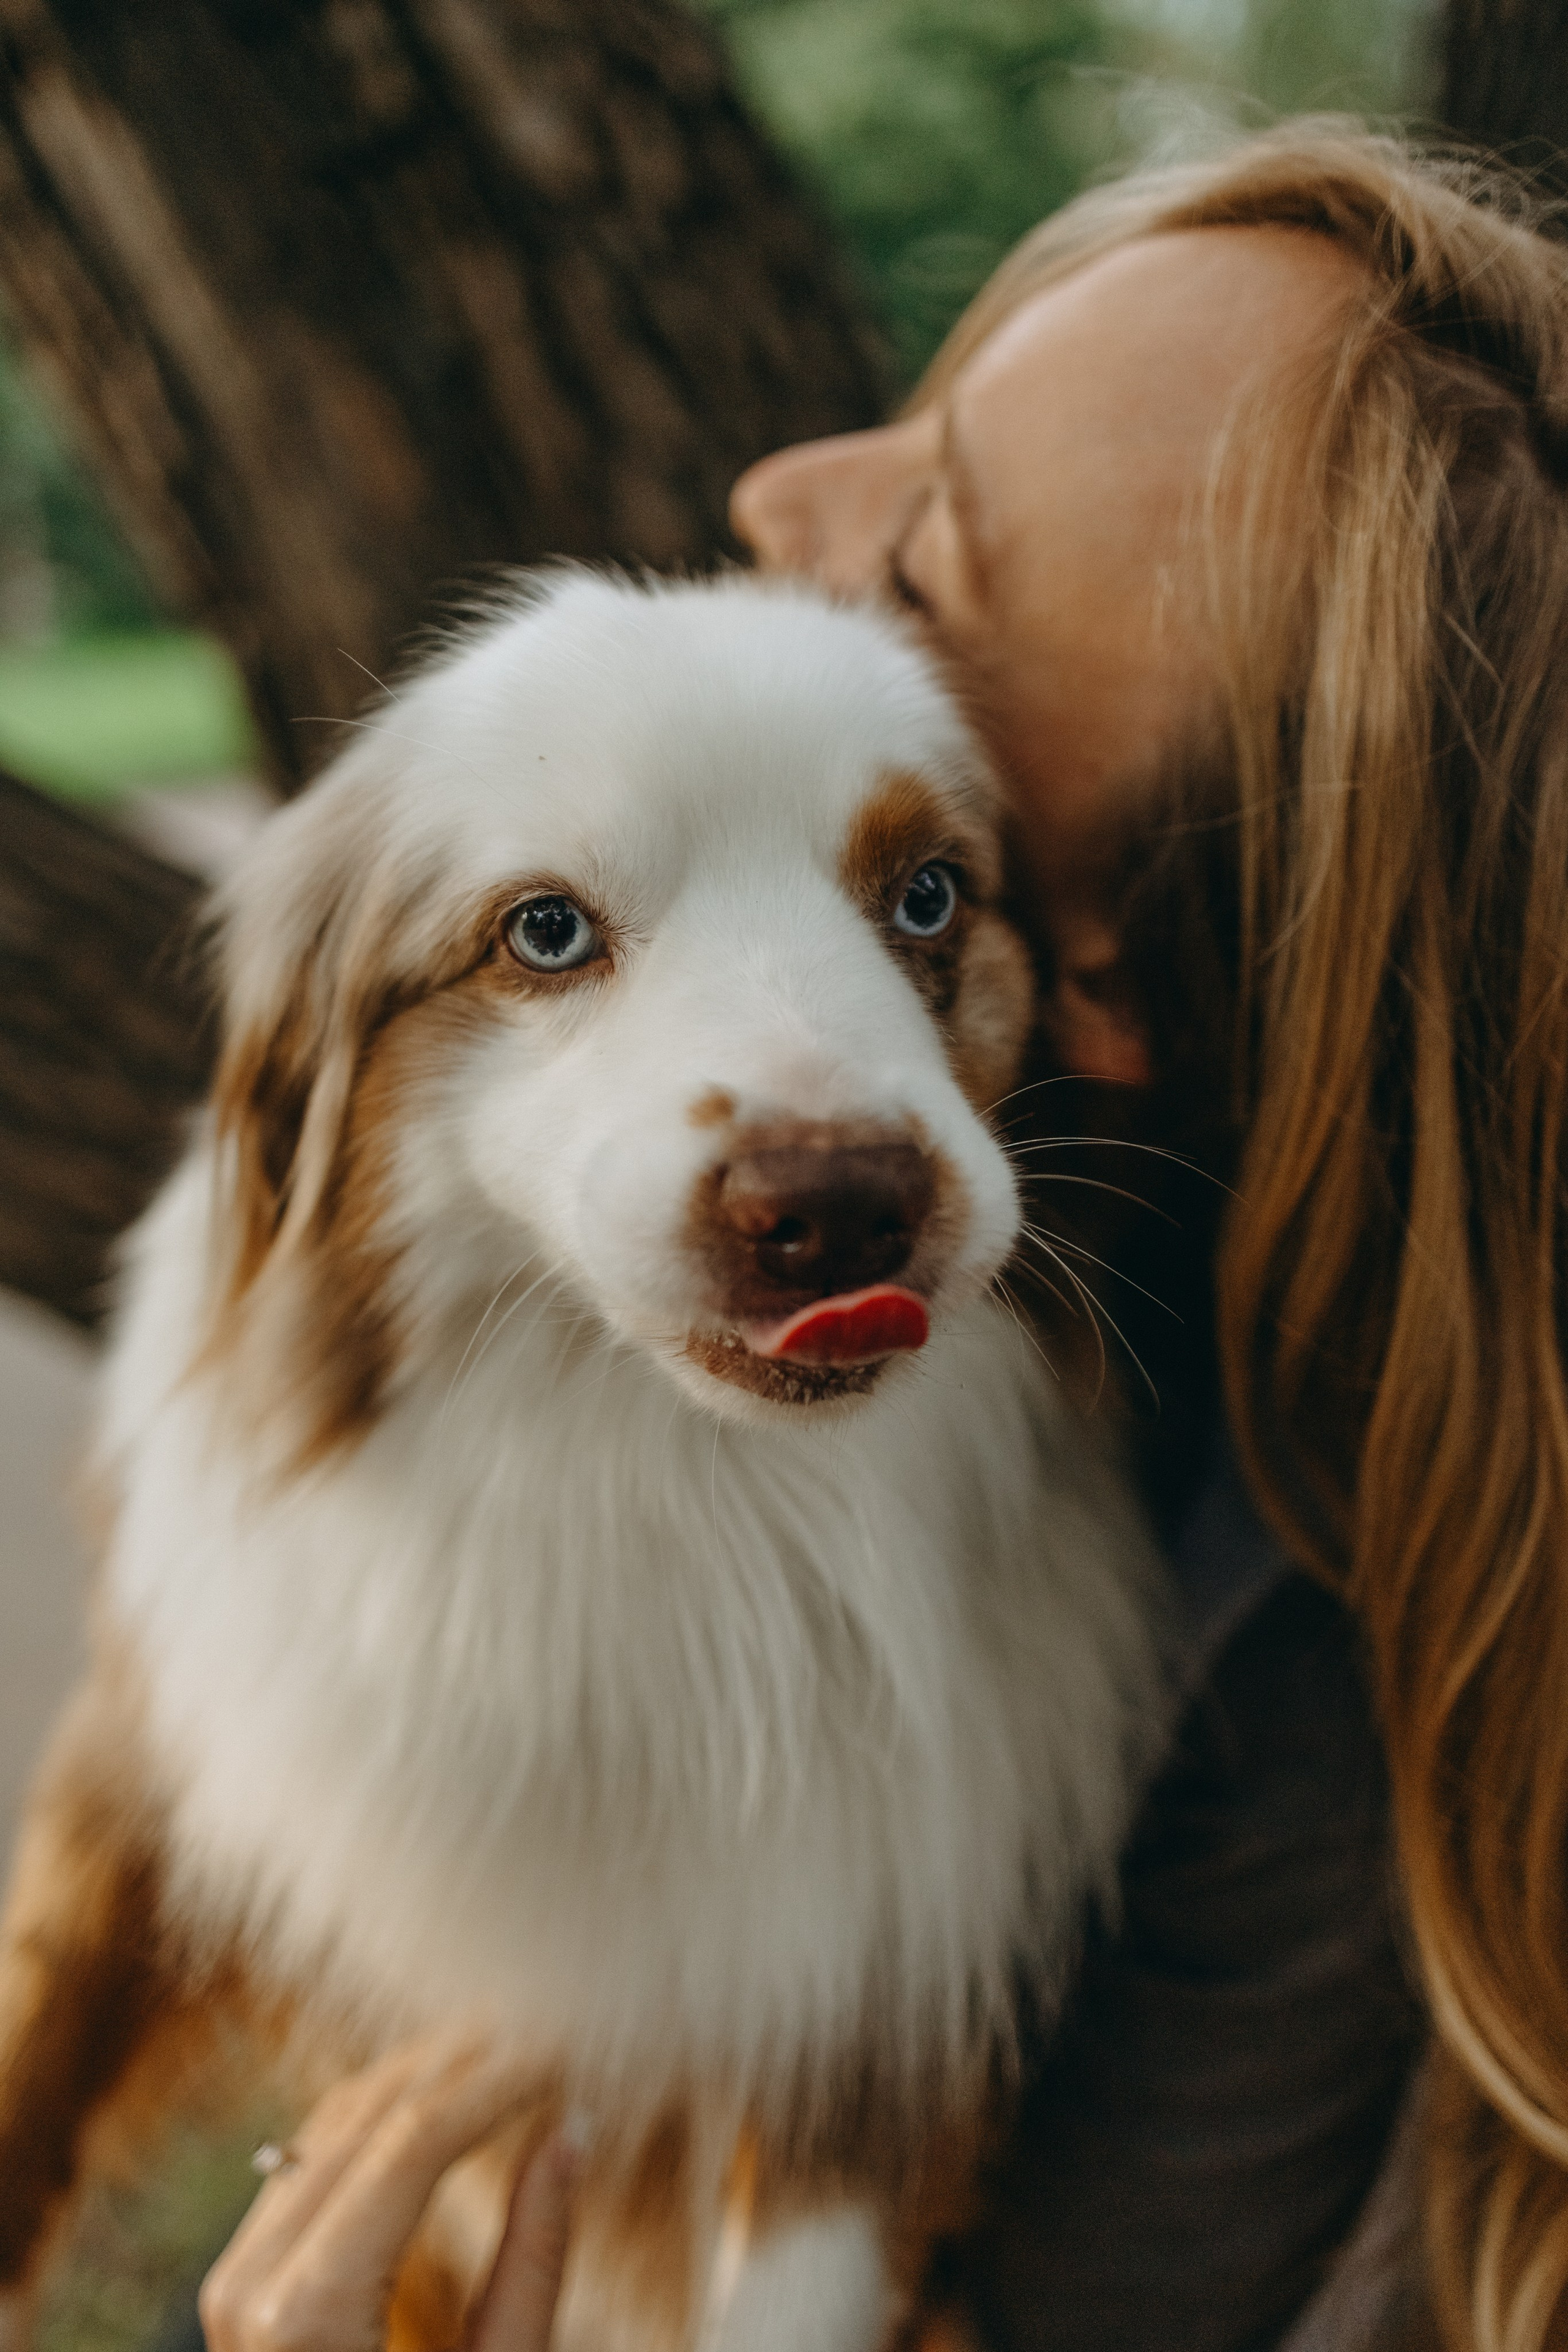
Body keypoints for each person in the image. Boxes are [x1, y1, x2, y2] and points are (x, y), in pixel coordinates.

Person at [197, 123, 1568, 2352]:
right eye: (932, 399)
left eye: (925, 558)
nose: (773, 498)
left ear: (1088, 984)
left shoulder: (1260, 1716)